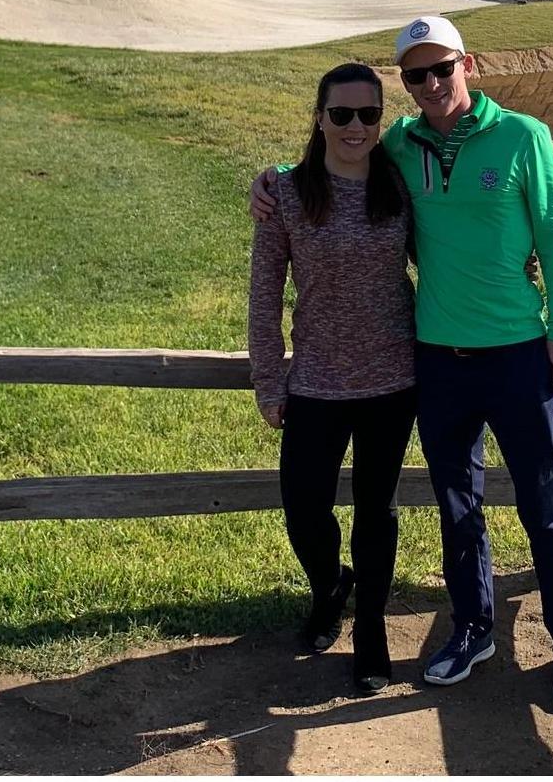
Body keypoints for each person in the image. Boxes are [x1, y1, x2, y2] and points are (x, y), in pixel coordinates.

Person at [252, 15, 553, 707]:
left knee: (543, 504)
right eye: (416, 74)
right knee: (457, 506)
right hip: (437, 359)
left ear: (468, 64)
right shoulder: (401, 147)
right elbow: (323, 170)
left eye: (443, 67)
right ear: (405, 85)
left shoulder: (523, 136)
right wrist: (270, 179)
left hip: (517, 352)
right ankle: (473, 627)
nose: (432, 82)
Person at [248, 61, 417, 695]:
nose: (354, 126)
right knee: (303, 506)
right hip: (314, 381)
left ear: (381, 121)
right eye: (341, 113)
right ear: (319, 118)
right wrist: (269, 380)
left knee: (378, 510)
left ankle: (370, 627)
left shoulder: (401, 188)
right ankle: (330, 586)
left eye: (368, 115)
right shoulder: (286, 194)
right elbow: (264, 298)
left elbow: (454, 246)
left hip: (392, 381)